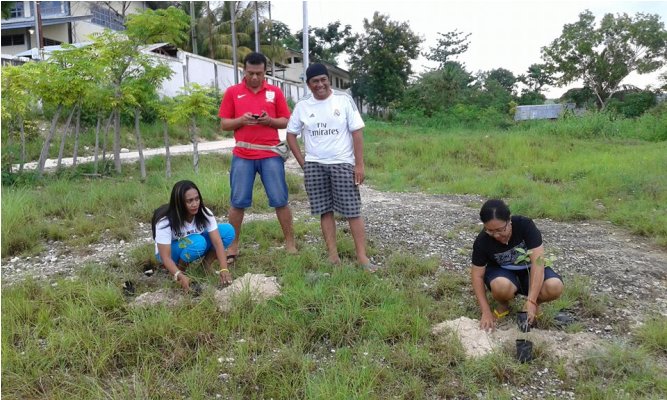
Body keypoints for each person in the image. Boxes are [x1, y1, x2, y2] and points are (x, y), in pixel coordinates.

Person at [286, 63, 377, 272]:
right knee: (324, 211)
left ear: (328, 80)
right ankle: (333, 256)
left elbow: (357, 132)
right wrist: (304, 163)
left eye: (323, 80)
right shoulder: (303, 106)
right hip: (316, 166)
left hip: (342, 164)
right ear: (308, 85)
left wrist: (359, 164)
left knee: (352, 211)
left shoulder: (343, 100)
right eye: (314, 81)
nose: (320, 85)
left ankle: (362, 257)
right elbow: (291, 135)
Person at [218, 51, 297, 262]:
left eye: (259, 74)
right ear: (244, 70)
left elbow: (285, 120)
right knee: (238, 202)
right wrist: (241, 120)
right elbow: (225, 124)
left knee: (280, 200)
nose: (254, 78)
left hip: (270, 153)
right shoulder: (233, 92)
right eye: (251, 73)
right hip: (243, 154)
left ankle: (290, 243)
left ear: (265, 73)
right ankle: (232, 245)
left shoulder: (275, 92)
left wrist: (269, 121)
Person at [471, 199, 564, 331]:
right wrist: (485, 312)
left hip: (529, 269)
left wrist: (531, 301)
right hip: (502, 273)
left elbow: (538, 263)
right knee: (500, 285)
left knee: (554, 286)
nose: (496, 235)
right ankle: (503, 305)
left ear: (509, 220)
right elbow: (477, 276)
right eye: (490, 231)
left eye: (500, 230)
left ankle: (535, 304)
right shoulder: (482, 241)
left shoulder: (525, 226)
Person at [152, 180, 236, 292]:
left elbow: (217, 242)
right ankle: (179, 273)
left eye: (197, 199)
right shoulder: (165, 221)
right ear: (179, 203)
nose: (195, 204)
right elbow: (165, 256)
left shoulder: (205, 213)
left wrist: (224, 269)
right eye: (189, 201)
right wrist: (179, 276)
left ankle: (205, 266)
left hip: (194, 243)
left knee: (227, 231)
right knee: (198, 241)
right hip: (170, 252)